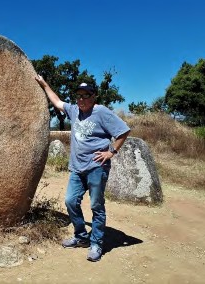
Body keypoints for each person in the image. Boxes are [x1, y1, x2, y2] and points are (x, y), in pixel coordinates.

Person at [35, 75, 130, 262]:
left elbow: (123, 131)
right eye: (78, 95)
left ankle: (96, 243)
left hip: (96, 167)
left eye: (85, 95)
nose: (81, 99)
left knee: (96, 206)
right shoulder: (73, 110)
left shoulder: (101, 112)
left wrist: (111, 152)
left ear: (94, 96)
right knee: (70, 201)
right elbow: (57, 101)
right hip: (77, 169)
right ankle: (81, 237)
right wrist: (44, 83)